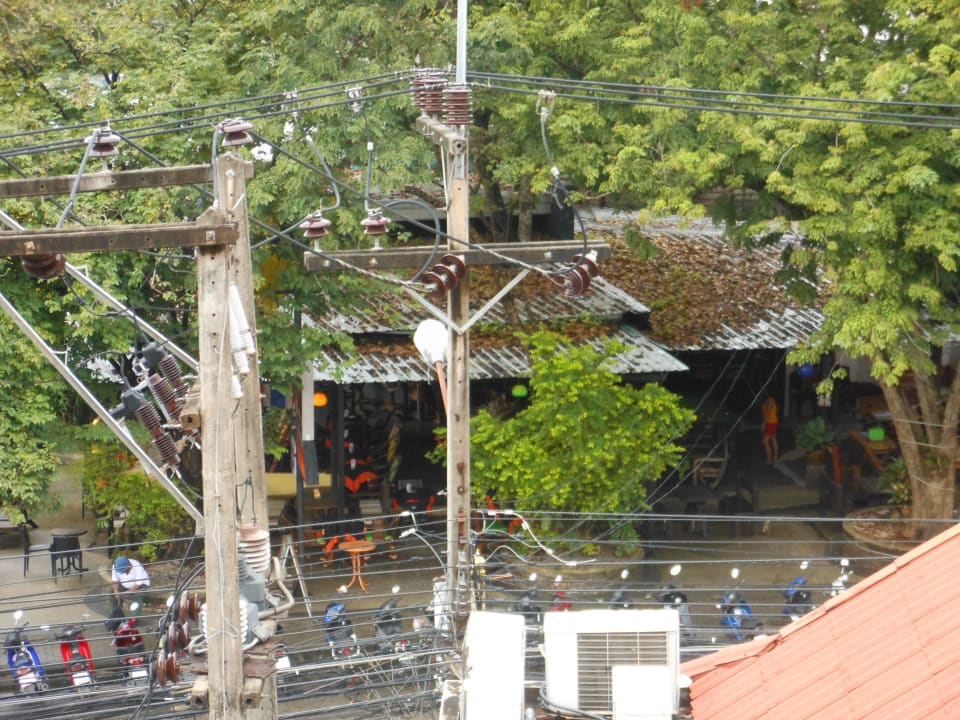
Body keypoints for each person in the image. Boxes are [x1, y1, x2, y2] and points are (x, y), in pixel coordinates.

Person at [762, 396, 779, 464]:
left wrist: (764, 423)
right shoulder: (772, 400)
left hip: (770, 423)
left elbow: (768, 413)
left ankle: (769, 459)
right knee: (773, 439)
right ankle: (775, 458)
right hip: (773, 422)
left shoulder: (769, 400)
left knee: (765, 441)